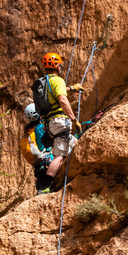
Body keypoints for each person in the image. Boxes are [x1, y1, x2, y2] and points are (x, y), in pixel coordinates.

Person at [31, 51, 83, 181]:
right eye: (60, 65)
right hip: (60, 121)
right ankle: (44, 185)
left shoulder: (44, 82)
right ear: (57, 66)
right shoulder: (57, 80)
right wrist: (74, 119)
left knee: (75, 142)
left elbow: (55, 92)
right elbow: (63, 100)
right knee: (60, 156)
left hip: (49, 123)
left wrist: (71, 88)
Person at [19, 103, 55, 194]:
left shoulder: (29, 129)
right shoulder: (40, 127)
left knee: (40, 184)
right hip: (47, 158)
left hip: (39, 162)